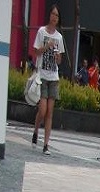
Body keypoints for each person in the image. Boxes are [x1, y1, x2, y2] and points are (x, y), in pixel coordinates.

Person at [31, 4, 64, 156]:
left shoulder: (59, 37)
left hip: (53, 77)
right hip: (42, 76)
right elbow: (36, 52)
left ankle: (45, 145)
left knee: (50, 112)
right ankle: (36, 130)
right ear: (49, 15)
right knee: (42, 110)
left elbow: (59, 60)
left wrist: (57, 57)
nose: (54, 17)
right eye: (53, 14)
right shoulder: (41, 32)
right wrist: (47, 46)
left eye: (57, 15)